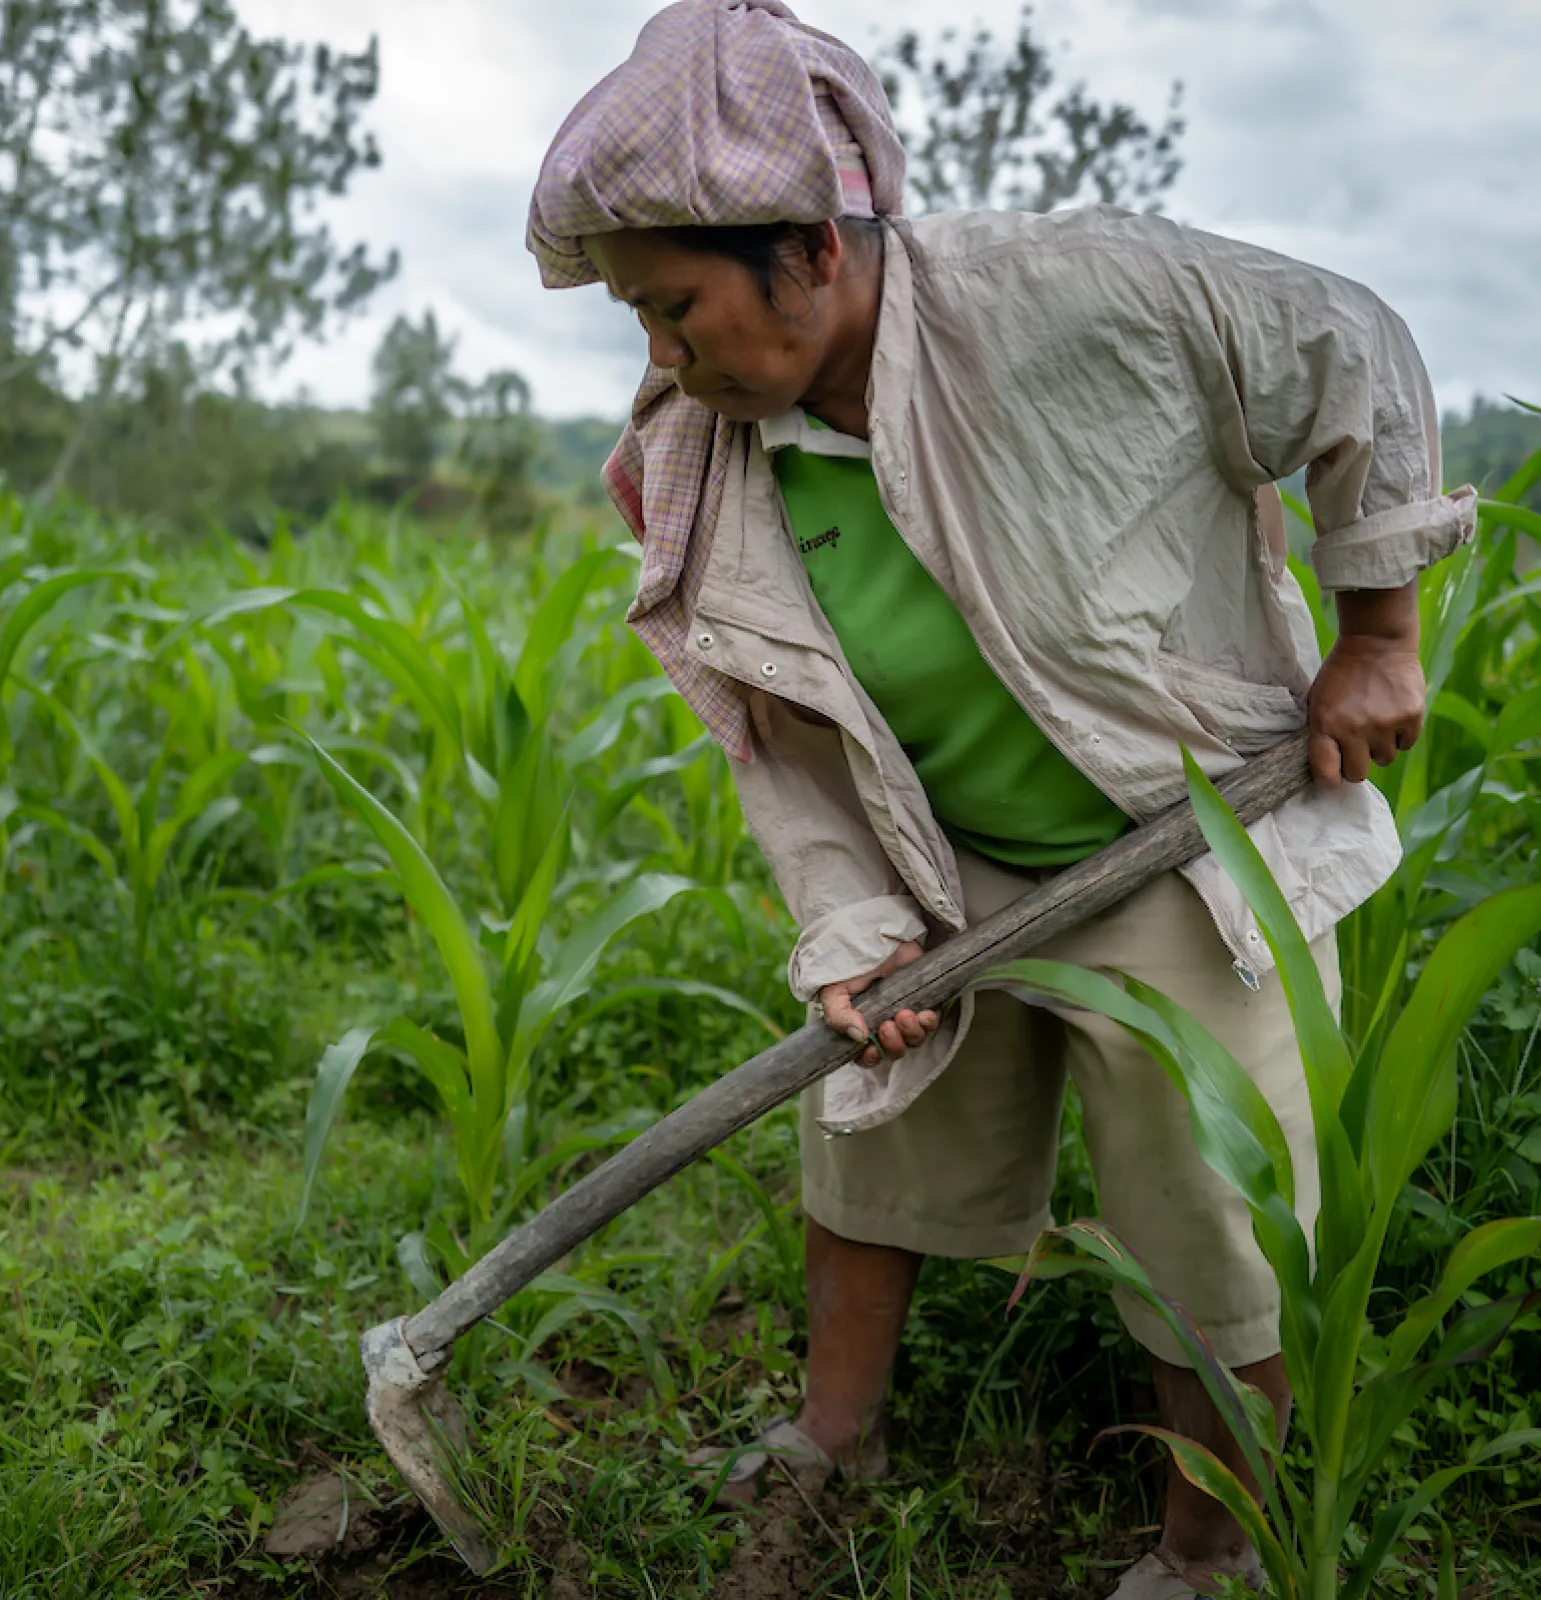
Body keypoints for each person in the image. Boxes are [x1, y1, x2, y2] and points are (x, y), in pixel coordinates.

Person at [525, 4, 1473, 1595]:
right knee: (869, 1152)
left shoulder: (1077, 297)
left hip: (1176, 839)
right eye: (638, 318)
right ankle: (834, 1446)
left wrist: (1379, 629)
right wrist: (851, 924)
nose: (661, 358)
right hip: (941, 861)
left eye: (676, 309)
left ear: (810, 252)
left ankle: (1208, 1558)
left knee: (1212, 1230)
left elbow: (1350, 341)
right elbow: (785, 741)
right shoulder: (718, 454)